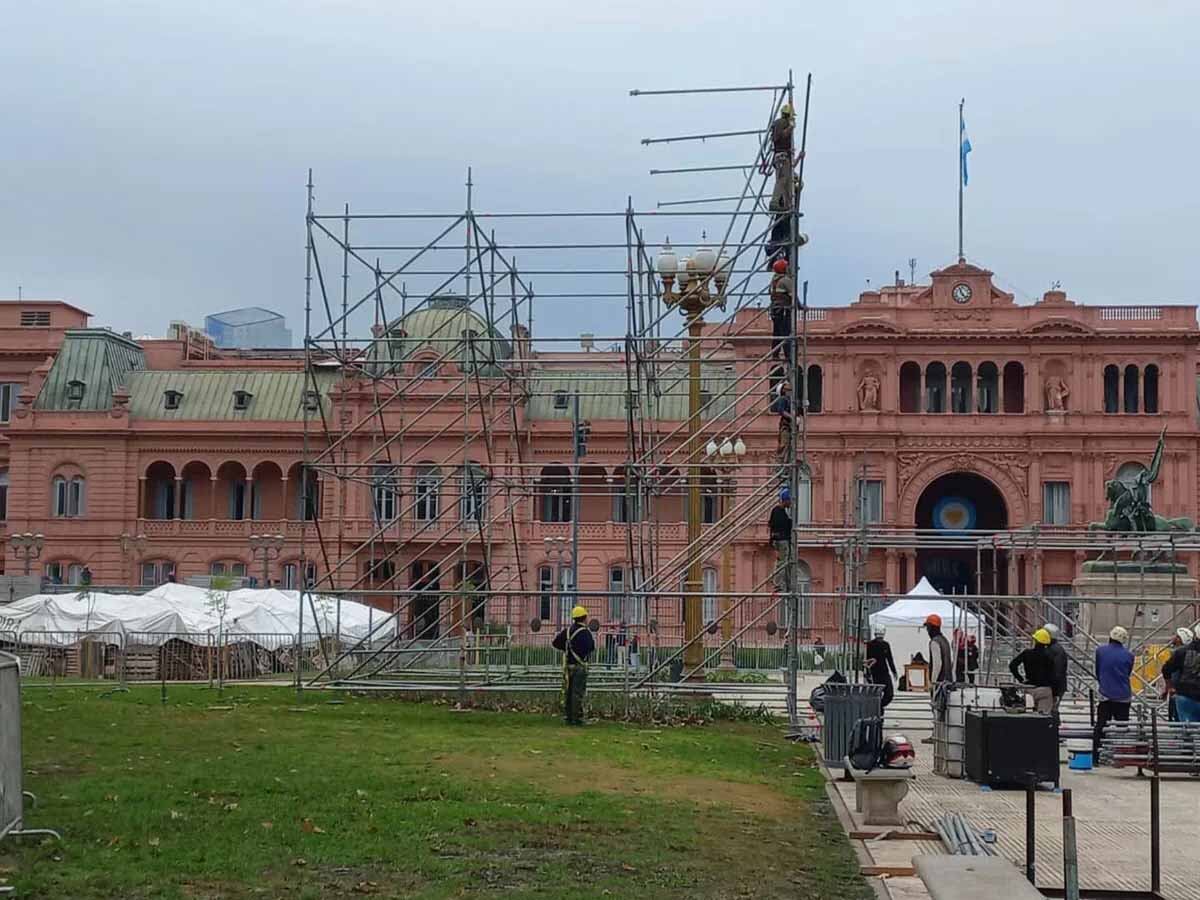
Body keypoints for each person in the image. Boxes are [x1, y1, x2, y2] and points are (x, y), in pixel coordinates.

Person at [1093, 626, 1135, 756]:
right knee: (1122, 728)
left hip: (1106, 694)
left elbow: (1098, 671)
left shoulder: (1100, 651)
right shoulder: (1129, 655)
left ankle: (1096, 755)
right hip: (1123, 696)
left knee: (1101, 726)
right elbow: (1128, 672)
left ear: (1110, 637)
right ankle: (1120, 756)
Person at [551, 605, 596, 726]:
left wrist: (567, 649)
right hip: (579, 667)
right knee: (577, 693)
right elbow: (591, 647)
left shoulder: (567, 631)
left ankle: (568, 716)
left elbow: (555, 643)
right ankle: (577, 718)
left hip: (568, 667)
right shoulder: (585, 632)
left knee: (569, 692)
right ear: (584, 618)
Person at [1009, 629, 1057, 714]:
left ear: (1035, 641)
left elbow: (1012, 665)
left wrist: (1020, 679)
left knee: (1029, 718)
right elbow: (1055, 674)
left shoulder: (1027, 653)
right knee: (1043, 719)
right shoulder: (1050, 656)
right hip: (1045, 690)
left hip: (1029, 689)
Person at [1161, 626, 1200, 723]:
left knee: (1186, 731)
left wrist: (1169, 687)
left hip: (1186, 696)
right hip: (1187, 695)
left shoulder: (1181, 652)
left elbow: (1166, 669)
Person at [768, 488, 794, 598]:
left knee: (788, 561)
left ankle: (788, 585)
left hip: (781, 540)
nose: (791, 503)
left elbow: (771, 524)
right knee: (783, 562)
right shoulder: (778, 511)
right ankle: (777, 583)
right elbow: (779, 525)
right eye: (789, 500)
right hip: (782, 540)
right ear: (785, 500)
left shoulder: (779, 511)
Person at [865, 624, 897, 708]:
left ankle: (879, 707)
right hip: (874, 674)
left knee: (888, 694)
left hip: (883, 673)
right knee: (877, 695)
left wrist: (894, 671)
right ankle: (878, 709)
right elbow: (866, 661)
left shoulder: (885, 645)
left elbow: (889, 659)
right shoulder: (869, 645)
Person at [769, 259, 794, 362]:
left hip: (775, 310)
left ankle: (775, 353)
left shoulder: (773, 280)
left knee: (777, 333)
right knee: (786, 333)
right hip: (783, 310)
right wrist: (801, 307)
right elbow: (793, 296)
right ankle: (788, 356)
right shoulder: (786, 280)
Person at [1043, 622, 1070, 720]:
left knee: (1052, 710)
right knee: (1052, 709)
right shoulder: (1054, 648)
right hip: (1056, 686)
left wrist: (1055, 691)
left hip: (1055, 687)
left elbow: (1057, 672)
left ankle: (1054, 728)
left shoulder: (1055, 650)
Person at [923, 614, 953, 686]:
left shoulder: (935, 642)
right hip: (948, 681)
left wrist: (933, 682)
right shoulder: (944, 640)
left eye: (927, 627)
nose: (927, 630)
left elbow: (937, 664)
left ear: (931, 627)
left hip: (939, 683)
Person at [771, 382, 795, 463]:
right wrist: (791, 417)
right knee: (784, 442)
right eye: (787, 389)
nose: (789, 391)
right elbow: (781, 411)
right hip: (786, 425)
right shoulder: (783, 399)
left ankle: (783, 458)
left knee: (790, 444)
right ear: (783, 390)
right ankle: (778, 456)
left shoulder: (791, 400)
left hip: (791, 425)